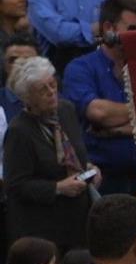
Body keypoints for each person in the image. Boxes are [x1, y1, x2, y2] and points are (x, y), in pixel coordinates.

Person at [57, 0, 136, 199]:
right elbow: (99, 112)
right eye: (132, 29)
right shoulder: (81, 68)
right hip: (103, 178)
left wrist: (119, 128)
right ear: (108, 28)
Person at [3, 55, 92, 250]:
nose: (52, 92)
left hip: (77, 218)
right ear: (27, 98)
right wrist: (58, 187)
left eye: (53, 84)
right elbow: (16, 185)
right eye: (43, 89)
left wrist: (90, 168)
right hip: (43, 228)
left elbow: (78, 151)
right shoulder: (19, 131)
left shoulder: (65, 110)